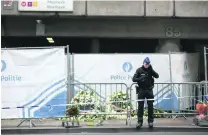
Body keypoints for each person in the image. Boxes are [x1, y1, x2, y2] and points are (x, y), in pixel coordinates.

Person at [132, 57, 159, 128]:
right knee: (140, 107)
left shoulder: (150, 70)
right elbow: (134, 79)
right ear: (143, 63)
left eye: (148, 64)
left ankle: (150, 121)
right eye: (146, 63)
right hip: (141, 90)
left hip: (149, 90)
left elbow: (157, 76)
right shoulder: (139, 70)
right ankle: (139, 122)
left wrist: (152, 70)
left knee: (150, 107)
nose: (147, 65)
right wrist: (141, 78)